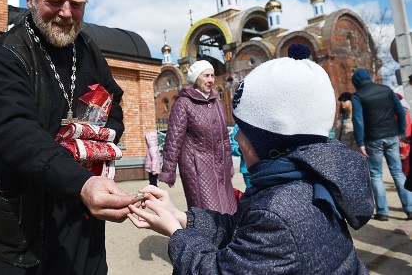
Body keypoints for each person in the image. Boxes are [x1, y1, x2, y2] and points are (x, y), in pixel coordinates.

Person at [0, 0, 137, 274]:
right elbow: (17, 135)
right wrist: (82, 182)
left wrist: (100, 139)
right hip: (21, 224)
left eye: (77, 4)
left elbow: (113, 104)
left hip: (80, 217)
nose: (67, 13)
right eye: (55, 2)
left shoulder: (87, 49)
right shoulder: (4, 56)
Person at [128, 44, 374, 274]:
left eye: (242, 128)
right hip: (198, 168)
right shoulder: (302, 181)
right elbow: (242, 227)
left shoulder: (277, 211)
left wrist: (176, 232)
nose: (236, 137)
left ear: (266, 141)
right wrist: (182, 217)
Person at [159, 60, 236, 214]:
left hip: (221, 167)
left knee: (229, 212)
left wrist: (229, 165)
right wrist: (169, 171)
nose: (211, 80)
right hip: (197, 168)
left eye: (213, 76)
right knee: (208, 214)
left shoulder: (217, 103)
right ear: (196, 78)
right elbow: (174, 139)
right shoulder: (183, 103)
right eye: (206, 75)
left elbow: (225, 140)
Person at [351, 68, 412, 221]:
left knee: (376, 174)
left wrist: (360, 142)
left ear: (356, 82)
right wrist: (402, 132)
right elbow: (400, 110)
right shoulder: (386, 89)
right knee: (398, 172)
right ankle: (410, 208)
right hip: (392, 136)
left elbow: (358, 120)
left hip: (373, 139)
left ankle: (383, 212)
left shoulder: (357, 96)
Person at [395, 93, 411, 177]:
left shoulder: (403, 113)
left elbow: (407, 131)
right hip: (397, 145)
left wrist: (404, 150)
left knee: (406, 170)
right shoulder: (394, 112)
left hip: (403, 145)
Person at [229, 124, 250, 188]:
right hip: (247, 170)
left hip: (265, 166)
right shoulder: (238, 126)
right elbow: (232, 147)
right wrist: (240, 149)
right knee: (252, 193)